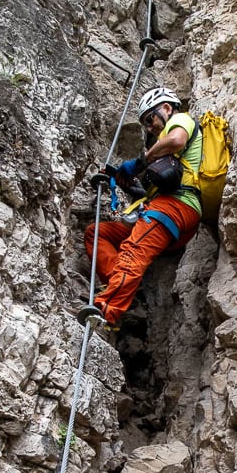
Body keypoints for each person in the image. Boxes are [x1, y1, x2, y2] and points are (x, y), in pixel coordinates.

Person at [84, 86, 203, 326]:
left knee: (134, 249)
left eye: (150, 119)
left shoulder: (180, 120)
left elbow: (177, 140)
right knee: (96, 233)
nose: (149, 128)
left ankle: (106, 309)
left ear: (166, 108)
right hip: (165, 209)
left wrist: (141, 161)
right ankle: (120, 283)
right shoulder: (165, 155)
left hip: (177, 206)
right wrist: (121, 179)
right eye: (145, 124)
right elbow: (152, 190)